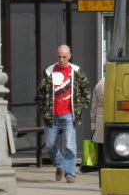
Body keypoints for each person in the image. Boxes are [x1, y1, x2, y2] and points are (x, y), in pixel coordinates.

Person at [35, 44, 91, 183]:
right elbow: (40, 93)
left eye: (64, 57)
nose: (61, 60)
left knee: (70, 145)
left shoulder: (76, 71)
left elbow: (86, 91)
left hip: (68, 114)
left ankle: (70, 173)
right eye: (59, 57)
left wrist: (79, 107)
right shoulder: (49, 71)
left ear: (70, 56)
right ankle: (60, 166)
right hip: (52, 114)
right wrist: (44, 109)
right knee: (49, 144)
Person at [85, 75, 106, 173]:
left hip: (101, 120)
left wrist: (93, 125)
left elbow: (94, 108)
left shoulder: (100, 84)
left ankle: (100, 172)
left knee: (101, 148)